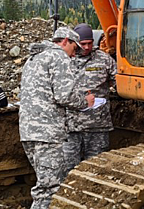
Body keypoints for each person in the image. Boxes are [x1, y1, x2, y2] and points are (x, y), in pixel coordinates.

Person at [19, 26, 95, 209]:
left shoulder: (34, 58)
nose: (74, 55)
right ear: (65, 41)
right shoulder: (58, 57)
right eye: (74, 48)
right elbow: (64, 95)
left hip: (28, 132)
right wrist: (86, 101)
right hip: (48, 133)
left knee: (44, 182)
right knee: (48, 189)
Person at [63, 23, 117, 171]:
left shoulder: (104, 60)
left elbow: (119, 80)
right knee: (68, 169)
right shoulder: (64, 60)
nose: (86, 47)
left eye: (90, 43)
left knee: (96, 169)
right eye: (83, 44)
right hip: (71, 126)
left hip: (98, 126)